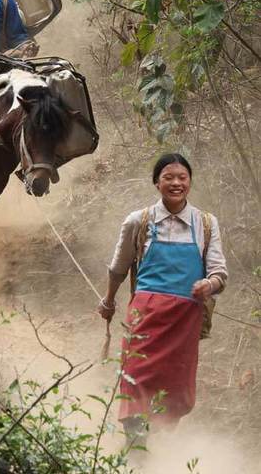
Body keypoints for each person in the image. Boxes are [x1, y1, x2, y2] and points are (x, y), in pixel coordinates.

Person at [98, 153, 227, 447]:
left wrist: (209, 284)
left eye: (182, 177)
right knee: (135, 376)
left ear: (190, 183)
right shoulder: (138, 221)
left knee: (175, 386)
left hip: (185, 321)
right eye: (169, 177)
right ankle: (136, 446)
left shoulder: (205, 224)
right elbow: (118, 268)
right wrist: (108, 301)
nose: (176, 183)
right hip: (144, 316)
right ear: (157, 183)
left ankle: (156, 440)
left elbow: (220, 273)